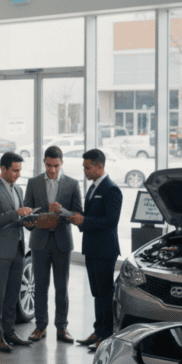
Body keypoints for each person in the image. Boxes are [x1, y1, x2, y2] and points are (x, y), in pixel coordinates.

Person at [22, 146, 82, 344]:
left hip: (62, 243)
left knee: (61, 288)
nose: (52, 170)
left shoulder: (73, 184)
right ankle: (40, 327)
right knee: (39, 286)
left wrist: (63, 211)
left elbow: (78, 215)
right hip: (39, 242)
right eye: (49, 165)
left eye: (56, 166)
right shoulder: (33, 183)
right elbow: (27, 215)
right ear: (44, 163)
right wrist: (29, 222)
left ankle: (62, 328)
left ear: (61, 163)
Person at [69, 148, 123, 352]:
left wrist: (85, 220)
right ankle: (98, 330)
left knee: (105, 294)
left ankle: (106, 335)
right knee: (96, 292)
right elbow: (91, 217)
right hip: (91, 248)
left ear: (99, 166)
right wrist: (78, 219)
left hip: (104, 249)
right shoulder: (93, 188)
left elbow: (111, 221)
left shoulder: (111, 189)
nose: (84, 170)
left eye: (87, 167)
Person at [0, 151, 35, 353]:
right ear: (3, 169)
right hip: (0, 250)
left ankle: (9, 332)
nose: (18, 174)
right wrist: (16, 213)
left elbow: (17, 221)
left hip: (18, 247)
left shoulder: (18, 190)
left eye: (20, 170)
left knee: (13, 293)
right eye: (15, 170)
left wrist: (31, 221)